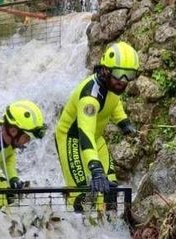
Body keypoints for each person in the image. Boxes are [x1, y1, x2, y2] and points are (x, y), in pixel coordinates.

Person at [55, 41, 140, 211]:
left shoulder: (113, 87)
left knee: (110, 187)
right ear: (106, 70)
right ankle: (73, 226)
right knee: (81, 193)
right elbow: (84, 133)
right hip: (73, 139)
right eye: (119, 73)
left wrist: (123, 122)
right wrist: (95, 168)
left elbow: (114, 104)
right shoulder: (90, 98)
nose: (123, 81)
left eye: (129, 75)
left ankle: (105, 226)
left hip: (96, 139)